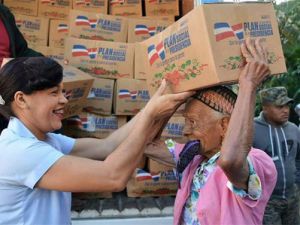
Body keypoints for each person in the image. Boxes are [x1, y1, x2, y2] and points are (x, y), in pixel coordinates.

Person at [0, 57, 194, 225]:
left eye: (62, 92)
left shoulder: (46, 140)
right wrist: (151, 115)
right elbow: (113, 177)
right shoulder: (19, 151)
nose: (64, 100)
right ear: (21, 100)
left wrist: (151, 108)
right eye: (54, 93)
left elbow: (107, 146)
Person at [146, 38, 277, 225]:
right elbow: (146, 144)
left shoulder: (257, 162)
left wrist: (248, 84)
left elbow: (230, 160)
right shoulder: (191, 156)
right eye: (185, 121)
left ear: (224, 125)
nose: (185, 130)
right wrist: (172, 99)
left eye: (192, 122)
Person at [253, 86, 300, 225]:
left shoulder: (293, 129)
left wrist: (297, 182)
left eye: (287, 105)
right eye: (280, 106)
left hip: (292, 197)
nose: (286, 110)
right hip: (267, 202)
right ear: (265, 107)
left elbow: (298, 158)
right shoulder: (252, 129)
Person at [0, 3, 43, 131]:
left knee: (45, 109)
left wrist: (47, 62)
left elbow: (21, 50)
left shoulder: (3, 13)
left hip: (8, 83)